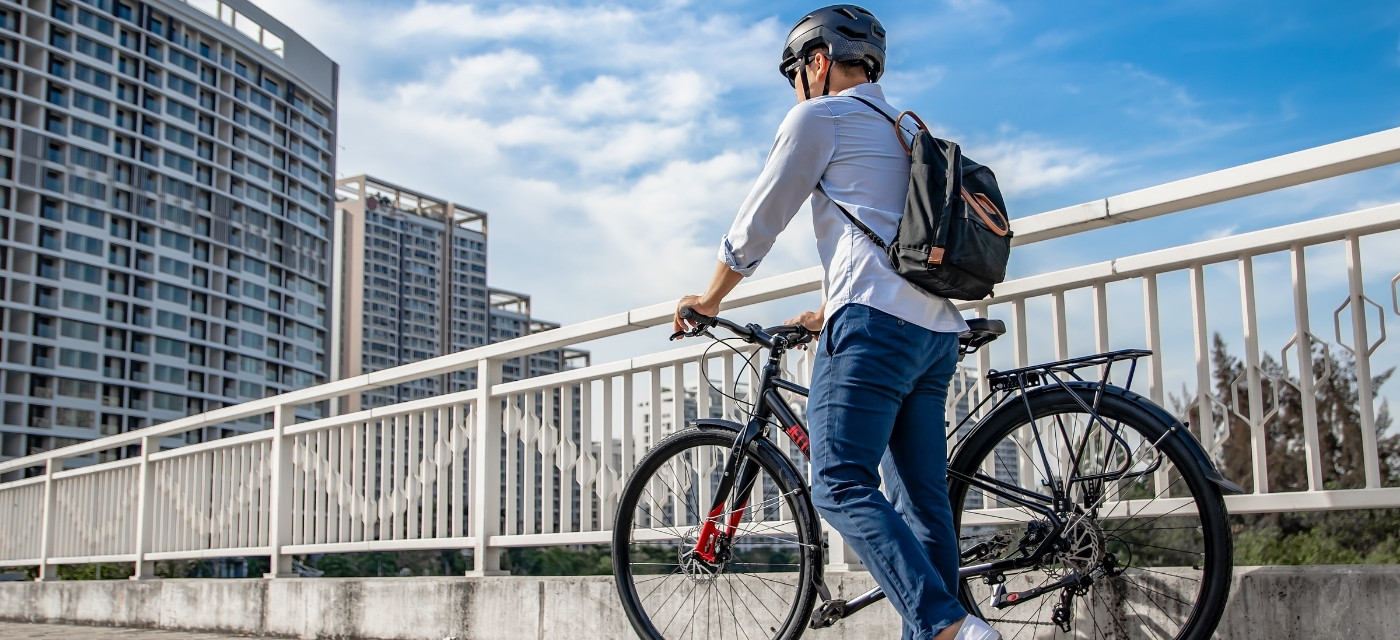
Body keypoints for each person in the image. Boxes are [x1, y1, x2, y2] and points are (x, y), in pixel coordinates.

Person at [671, 5, 1000, 640]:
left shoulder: (819, 117)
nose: (794, 87)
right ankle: (942, 632)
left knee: (839, 484)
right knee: (920, 502)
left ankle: (949, 628)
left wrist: (709, 298)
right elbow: (889, 231)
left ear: (817, 63)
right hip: (933, 331)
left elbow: (760, 217)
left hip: (876, 329)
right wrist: (829, 307)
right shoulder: (906, 127)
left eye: (794, 73)